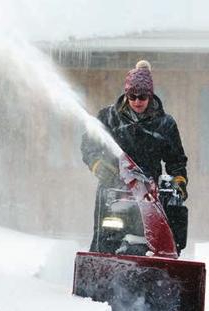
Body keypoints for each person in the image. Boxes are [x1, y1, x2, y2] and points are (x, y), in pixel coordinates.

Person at [80, 60, 188, 253]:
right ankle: (101, 272)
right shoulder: (108, 118)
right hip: (113, 193)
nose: (138, 101)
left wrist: (178, 182)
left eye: (143, 96)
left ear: (151, 95)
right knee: (105, 243)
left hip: (149, 197)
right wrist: (98, 165)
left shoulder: (165, 124)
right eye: (133, 96)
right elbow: (89, 145)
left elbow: (176, 161)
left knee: (154, 243)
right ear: (126, 94)